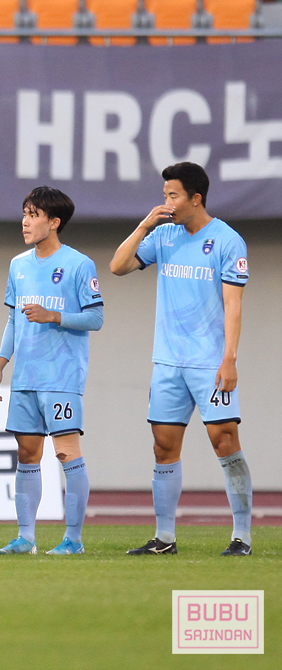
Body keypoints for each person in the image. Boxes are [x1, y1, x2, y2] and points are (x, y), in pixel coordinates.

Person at [110, 162, 253, 557]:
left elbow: (233, 305)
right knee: (163, 447)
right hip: (168, 362)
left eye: (173, 195)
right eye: (164, 195)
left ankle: (242, 536)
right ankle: (164, 538)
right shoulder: (164, 235)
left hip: (210, 364)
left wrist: (229, 359)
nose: (167, 202)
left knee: (225, 441)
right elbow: (118, 267)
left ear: (196, 198)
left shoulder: (227, 240)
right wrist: (144, 226)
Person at [0, 187, 102, 556]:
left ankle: (74, 540)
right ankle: (26, 538)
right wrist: (0, 363)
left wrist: (54, 315)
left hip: (61, 377)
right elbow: (12, 320)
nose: (25, 221)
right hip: (25, 376)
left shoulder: (79, 264)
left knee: (66, 453)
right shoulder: (18, 265)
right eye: (24, 213)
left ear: (54, 222)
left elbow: (96, 318)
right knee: (27, 453)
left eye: (33, 215)